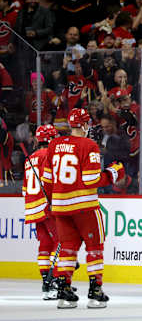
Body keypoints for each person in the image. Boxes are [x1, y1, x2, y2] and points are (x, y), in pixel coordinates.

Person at [41, 108, 125, 309]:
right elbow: (91, 179)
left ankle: (64, 292)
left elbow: (46, 179)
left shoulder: (54, 144)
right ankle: (95, 291)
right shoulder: (89, 145)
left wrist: (54, 203)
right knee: (94, 247)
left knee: (67, 250)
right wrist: (114, 172)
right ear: (86, 125)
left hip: (61, 207)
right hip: (84, 206)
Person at [22, 124, 59, 300]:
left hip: (32, 208)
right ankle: (55, 281)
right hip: (47, 207)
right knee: (61, 242)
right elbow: (53, 181)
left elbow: (24, 191)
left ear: (38, 140)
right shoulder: (51, 156)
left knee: (44, 245)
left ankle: (46, 279)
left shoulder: (29, 159)